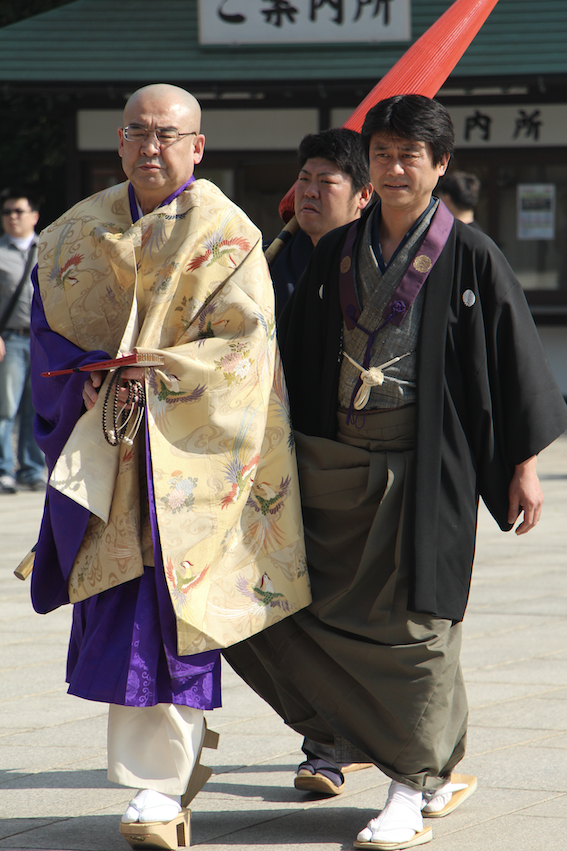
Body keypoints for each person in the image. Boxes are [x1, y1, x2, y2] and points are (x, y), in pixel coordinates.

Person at [224, 95, 567, 850]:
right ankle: (378, 749)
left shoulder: (471, 254)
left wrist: (523, 466)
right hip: (335, 468)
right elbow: (293, 361)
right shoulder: (337, 251)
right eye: (382, 153)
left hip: (427, 470)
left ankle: (409, 785)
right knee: (284, 608)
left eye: (411, 154)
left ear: (440, 166)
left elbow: (515, 364)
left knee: (419, 630)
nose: (394, 166)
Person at [29, 83, 309, 850]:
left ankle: (162, 787)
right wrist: (83, 373)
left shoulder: (227, 231)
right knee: (122, 620)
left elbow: (246, 348)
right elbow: (46, 339)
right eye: (137, 133)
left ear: (197, 146)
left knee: (174, 619)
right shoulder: (72, 235)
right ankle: (158, 783)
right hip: (112, 455)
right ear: (120, 141)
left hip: (188, 463)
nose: (150, 147)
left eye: (167, 135)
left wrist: (157, 372)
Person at [269, 127, 372, 315]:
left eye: (326, 182)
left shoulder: (377, 263)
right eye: (304, 178)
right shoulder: (266, 263)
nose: (310, 191)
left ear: (363, 195)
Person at [0, 189, 46, 493]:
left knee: (38, 407)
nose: (12, 217)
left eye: (18, 211)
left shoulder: (50, 249)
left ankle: (32, 470)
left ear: (34, 216)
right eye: (7, 212)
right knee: (6, 408)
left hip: (43, 342)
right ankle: (4, 470)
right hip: (10, 340)